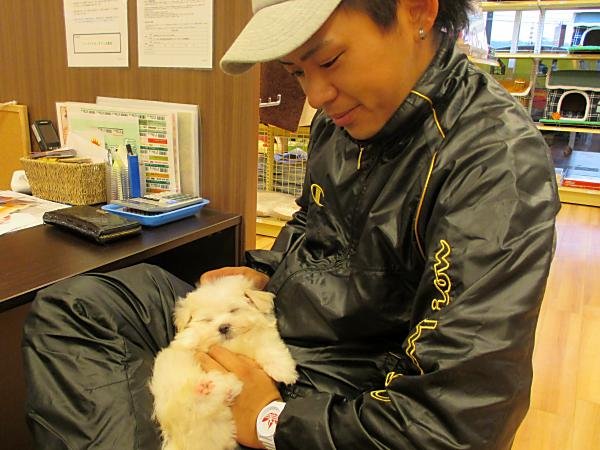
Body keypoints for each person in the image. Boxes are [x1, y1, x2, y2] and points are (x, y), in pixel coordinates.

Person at [22, 0, 560, 449]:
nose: (316, 96)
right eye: (299, 71)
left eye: (329, 60)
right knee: (79, 306)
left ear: (417, 11)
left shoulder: (493, 164)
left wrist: (272, 420)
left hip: (344, 377)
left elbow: (457, 419)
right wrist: (264, 268)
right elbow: (313, 225)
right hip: (281, 318)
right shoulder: (341, 119)